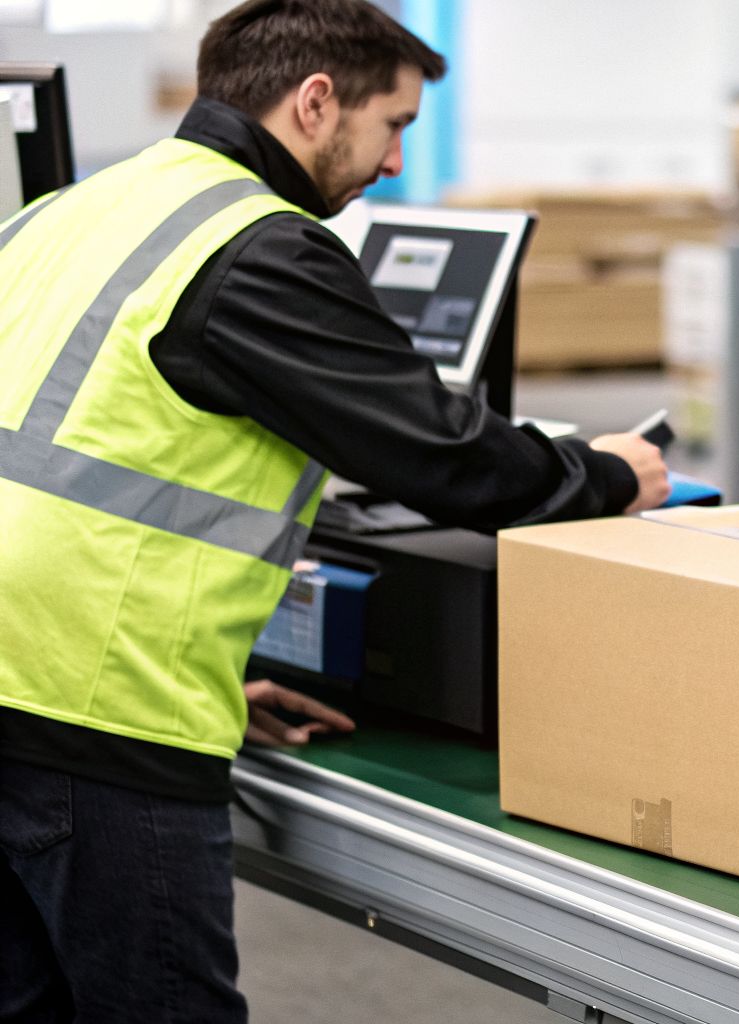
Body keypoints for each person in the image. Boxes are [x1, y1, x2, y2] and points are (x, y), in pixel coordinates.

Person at [0, 1, 668, 1019]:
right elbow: (437, 453)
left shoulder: (69, 208)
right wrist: (608, 475)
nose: (396, 161)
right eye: (393, 124)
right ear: (316, 102)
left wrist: (218, 675)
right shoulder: (256, 246)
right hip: (98, 722)